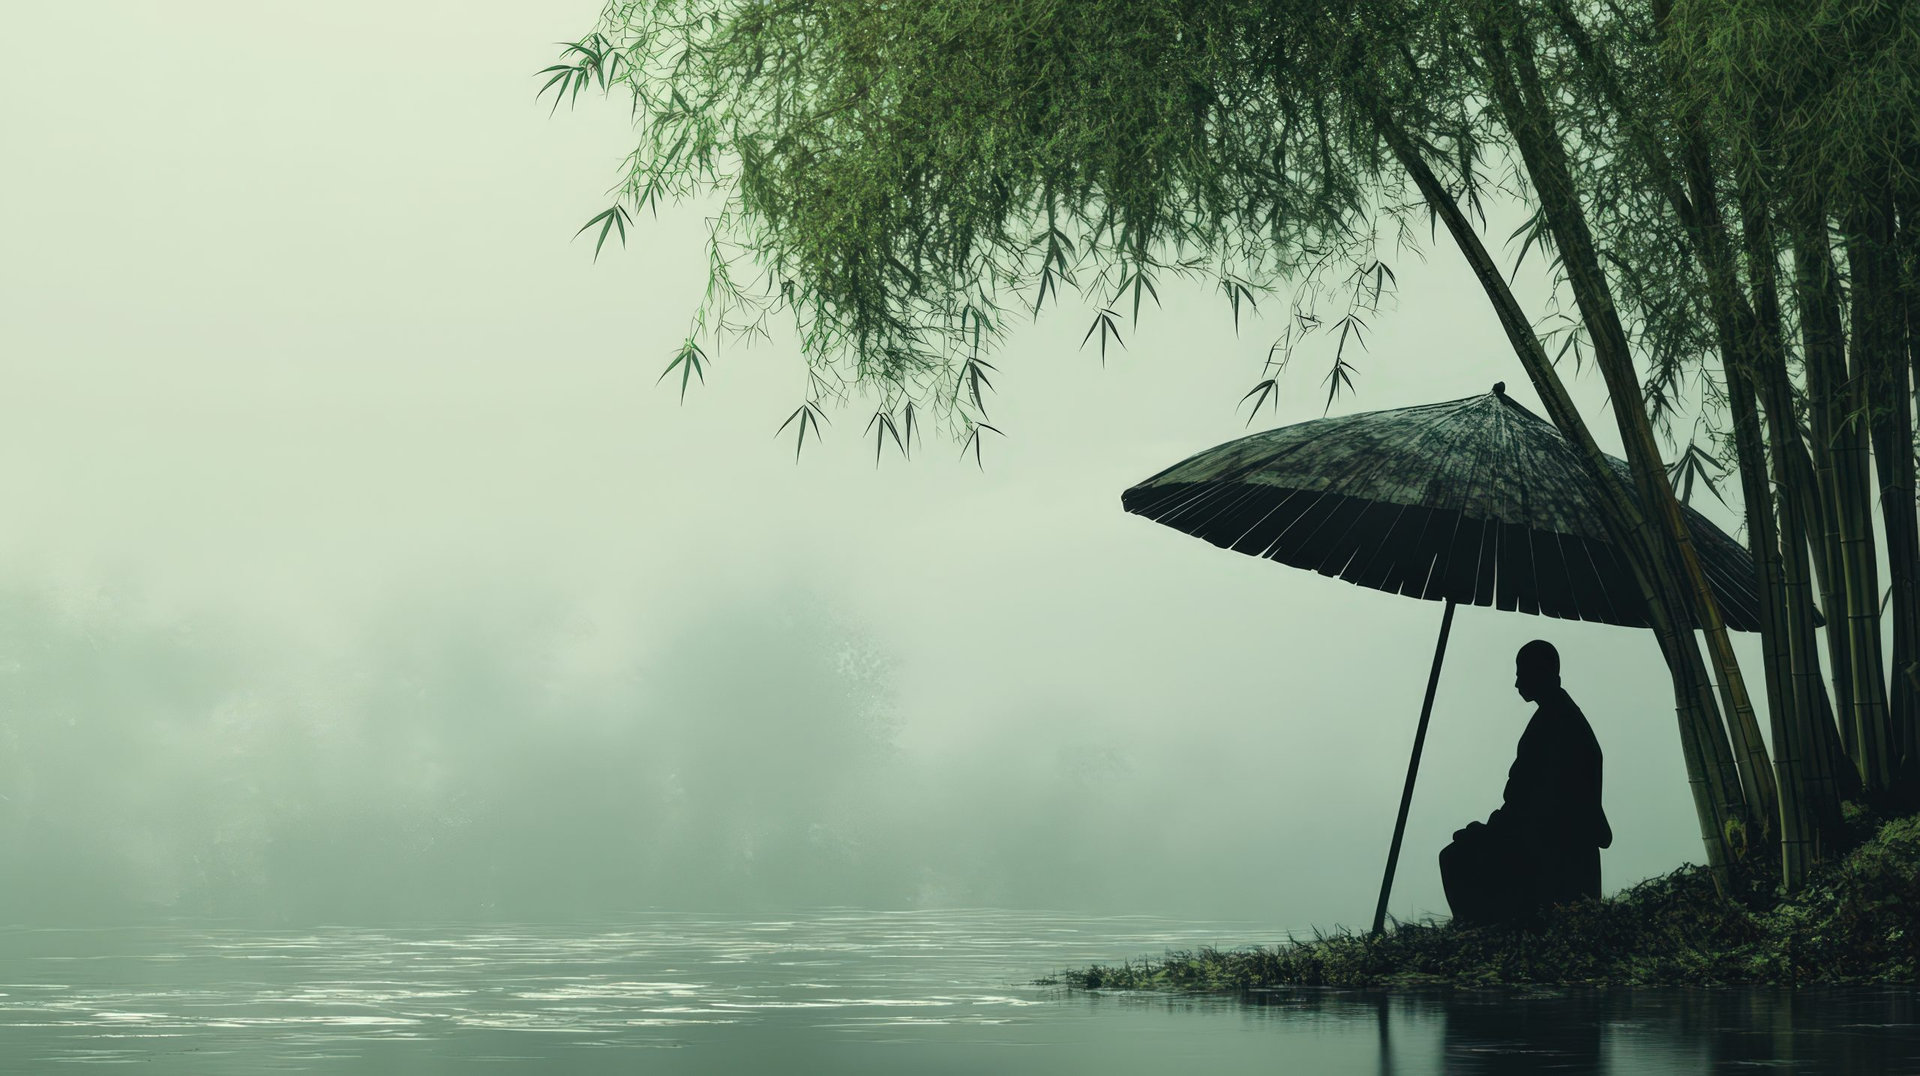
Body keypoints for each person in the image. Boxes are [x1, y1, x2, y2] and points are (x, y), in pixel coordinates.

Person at [1440, 640, 1611, 926]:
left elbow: (1532, 801)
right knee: (1465, 845)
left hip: (1550, 842)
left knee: (1455, 857)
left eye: (1522, 673)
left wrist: (1489, 830)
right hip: (1545, 834)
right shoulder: (1559, 716)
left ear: (1544, 673)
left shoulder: (1556, 723)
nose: (1517, 682)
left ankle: (1480, 930)